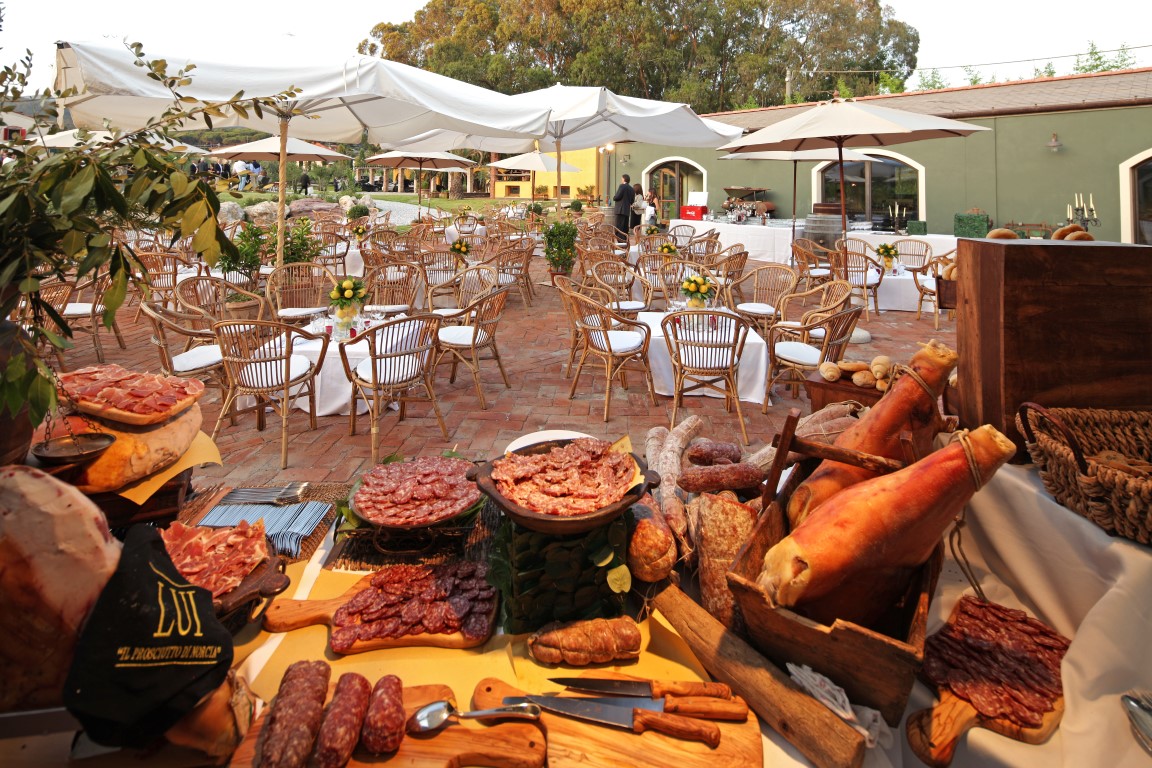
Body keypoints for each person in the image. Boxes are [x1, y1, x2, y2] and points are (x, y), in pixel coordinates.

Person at [612, 173, 635, 239]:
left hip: (620, 210)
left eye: (621, 178)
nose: (621, 180)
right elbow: (632, 201)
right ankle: (625, 241)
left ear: (624, 179)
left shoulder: (622, 186)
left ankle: (620, 242)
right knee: (625, 228)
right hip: (626, 211)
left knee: (619, 228)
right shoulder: (632, 189)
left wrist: (614, 197)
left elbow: (617, 197)